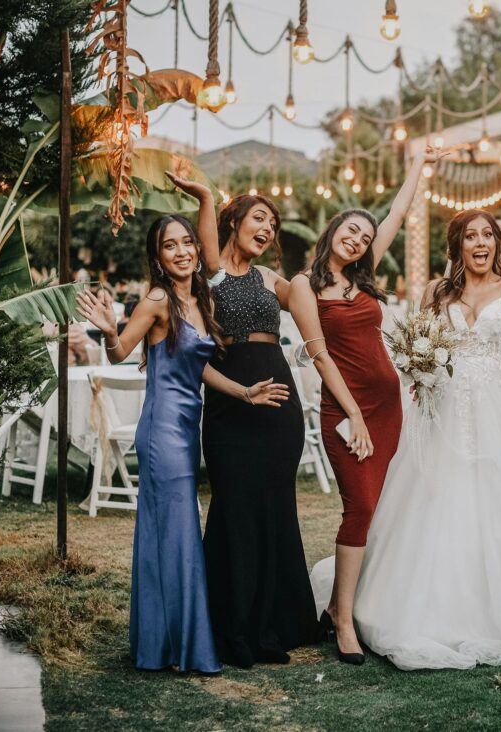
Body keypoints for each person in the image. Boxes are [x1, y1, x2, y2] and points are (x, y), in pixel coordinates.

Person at [312, 209, 501, 671]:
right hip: (443, 406)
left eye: (487, 235)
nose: (480, 242)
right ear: (458, 245)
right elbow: (419, 342)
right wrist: (417, 367)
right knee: (435, 494)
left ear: (496, 242)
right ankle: (409, 600)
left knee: (495, 497)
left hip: (495, 407)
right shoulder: (437, 291)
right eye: (470, 236)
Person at [75, 182, 288, 674]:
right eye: (169, 245)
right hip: (161, 432)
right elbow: (122, 351)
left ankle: (167, 642)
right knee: (176, 534)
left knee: (177, 531)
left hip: (189, 428)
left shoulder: (202, 302)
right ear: (158, 256)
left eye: (186, 242)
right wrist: (109, 330)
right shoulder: (155, 301)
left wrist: (243, 391)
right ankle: (181, 646)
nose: (182, 251)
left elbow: (200, 368)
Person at [289, 146, 444, 665]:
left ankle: (342, 602)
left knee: (379, 510)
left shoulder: (365, 275)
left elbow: (398, 212)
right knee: (361, 508)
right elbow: (320, 358)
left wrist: (419, 166)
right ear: (332, 232)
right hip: (345, 412)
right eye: (349, 231)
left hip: (389, 407)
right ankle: (343, 619)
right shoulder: (304, 286)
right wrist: (353, 414)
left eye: (363, 235)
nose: (356, 239)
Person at [195, 186, 319, 668]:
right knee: (234, 509)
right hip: (229, 404)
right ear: (235, 221)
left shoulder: (274, 280)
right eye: (259, 219)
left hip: (277, 406)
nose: (267, 230)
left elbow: (317, 309)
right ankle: (232, 629)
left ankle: (272, 629)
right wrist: (206, 196)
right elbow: (208, 238)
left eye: (273, 225)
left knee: (273, 510)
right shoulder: (211, 273)